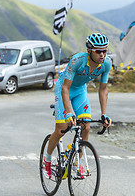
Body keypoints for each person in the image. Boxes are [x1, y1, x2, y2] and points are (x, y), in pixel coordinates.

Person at [44, 33, 112, 179]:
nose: (102, 54)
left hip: (80, 89)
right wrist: (68, 112)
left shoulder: (106, 63)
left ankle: (77, 161)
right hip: (64, 88)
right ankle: (47, 160)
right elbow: (65, 89)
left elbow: (103, 89)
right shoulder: (77, 60)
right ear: (89, 51)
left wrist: (104, 114)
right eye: (98, 51)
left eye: (104, 50)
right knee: (62, 129)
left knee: (86, 126)